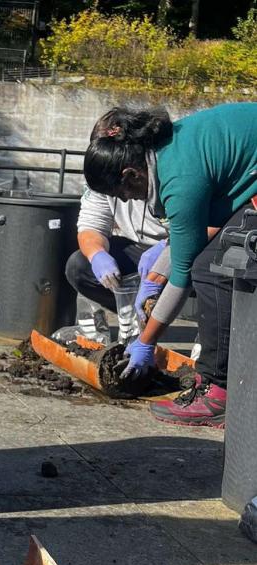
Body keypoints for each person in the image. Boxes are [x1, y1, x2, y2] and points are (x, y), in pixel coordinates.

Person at [83, 102, 257, 428]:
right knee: (214, 258)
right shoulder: (166, 152)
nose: (128, 201)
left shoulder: (179, 178)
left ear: (130, 174)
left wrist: (145, 342)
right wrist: (154, 275)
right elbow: (198, 232)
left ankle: (218, 392)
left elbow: (183, 274)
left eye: (123, 195)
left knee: (212, 269)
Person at [64, 184, 168, 341]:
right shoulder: (102, 180)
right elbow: (91, 226)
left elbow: (198, 226)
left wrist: (167, 249)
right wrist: (97, 254)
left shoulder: (168, 174)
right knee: (79, 266)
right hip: (138, 247)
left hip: (181, 246)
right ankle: (135, 314)